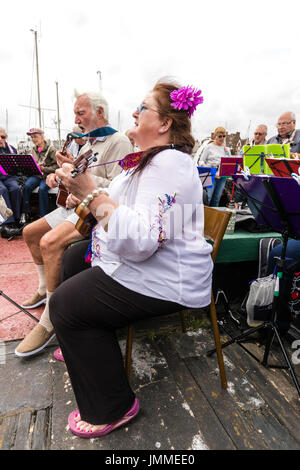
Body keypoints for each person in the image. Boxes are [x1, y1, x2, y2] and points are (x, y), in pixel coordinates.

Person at [48, 79, 213, 438]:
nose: (135, 113)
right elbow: (112, 207)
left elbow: (140, 242)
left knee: (66, 304)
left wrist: (91, 193)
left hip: (171, 279)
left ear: (165, 123)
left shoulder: (169, 165)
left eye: (143, 107)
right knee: (75, 258)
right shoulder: (146, 163)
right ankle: (86, 348)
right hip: (149, 262)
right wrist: (81, 189)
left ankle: (113, 406)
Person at [15, 90, 132, 358]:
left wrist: (82, 181)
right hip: (73, 205)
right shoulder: (86, 141)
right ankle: (45, 290)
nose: (76, 119)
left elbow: (119, 188)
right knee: (30, 233)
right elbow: (76, 175)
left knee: (49, 242)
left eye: (81, 112)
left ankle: (50, 321)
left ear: (100, 113)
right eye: (76, 113)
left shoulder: (119, 141)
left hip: (92, 209)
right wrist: (59, 176)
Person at [23, 129, 58, 219]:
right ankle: (26, 213)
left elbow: (57, 166)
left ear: (42, 137)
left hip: (47, 176)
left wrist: (44, 168)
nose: (33, 139)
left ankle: (43, 215)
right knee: (26, 186)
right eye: (32, 137)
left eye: (35, 136)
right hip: (37, 175)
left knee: (42, 189)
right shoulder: (33, 150)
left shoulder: (51, 149)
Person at [199, 126, 231, 206]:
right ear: (215, 136)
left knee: (217, 199)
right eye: (220, 136)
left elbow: (230, 163)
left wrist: (227, 153)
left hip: (222, 177)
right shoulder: (209, 147)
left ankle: (213, 217)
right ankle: (205, 217)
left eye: (224, 136)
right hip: (211, 176)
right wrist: (208, 168)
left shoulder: (226, 149)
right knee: (208, 198)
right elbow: (201, 161)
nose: (222, 138)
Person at [0, 127, 23, 238]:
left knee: (15, 189)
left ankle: (16, 220)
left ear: (6, 137)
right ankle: (6, 224)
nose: (0, 139)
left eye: (2, 137)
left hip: (9, 177)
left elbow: (16, 167)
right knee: (2, 190)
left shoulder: (12, 149)